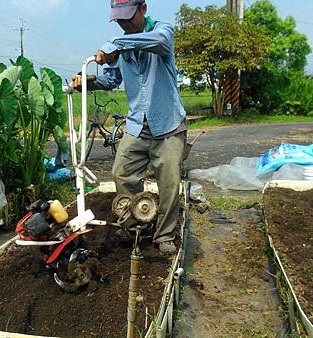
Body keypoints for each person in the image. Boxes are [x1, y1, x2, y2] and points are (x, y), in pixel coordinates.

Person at [72, 0, 186, 254]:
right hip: (137, 125)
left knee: (168, 184)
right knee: (122, 172)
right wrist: (86, 82)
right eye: (119, 19)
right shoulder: (122, 47)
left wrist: (115, 44)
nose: (124, 22)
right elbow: (112, 79)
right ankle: (138, 224)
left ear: (143, 8)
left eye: (128, 16)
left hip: (167, 125)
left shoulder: (162, 31)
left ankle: (164, 234)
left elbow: (159, 43)